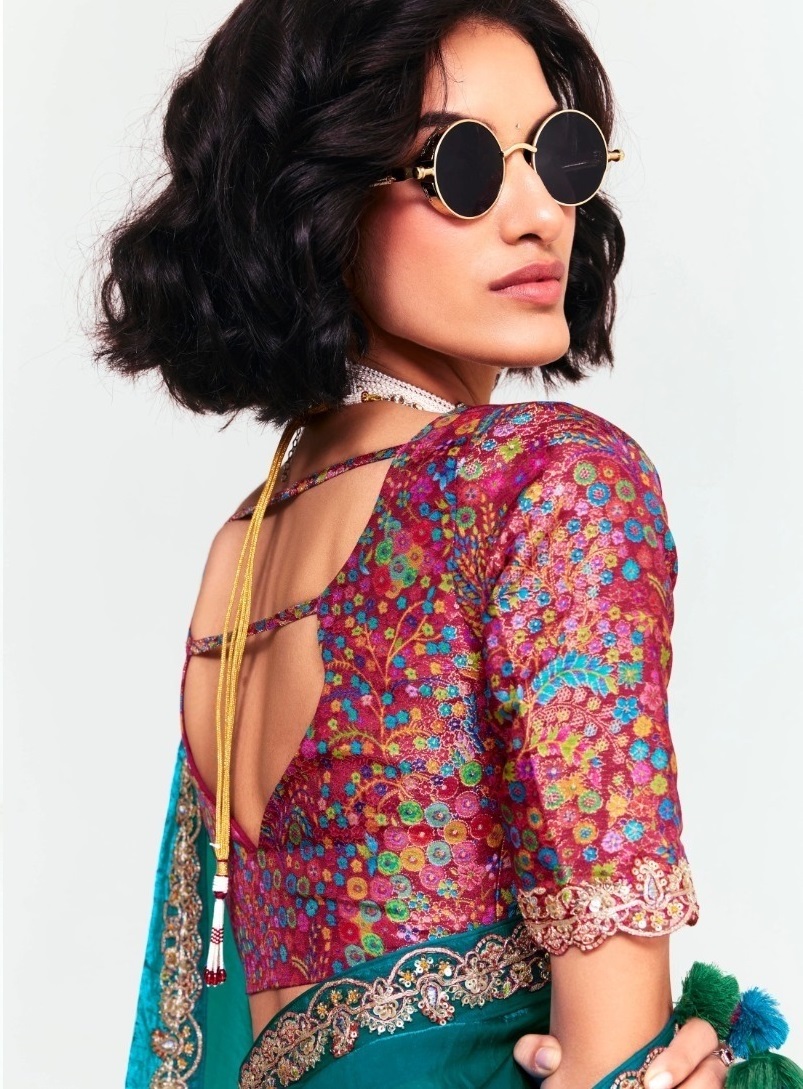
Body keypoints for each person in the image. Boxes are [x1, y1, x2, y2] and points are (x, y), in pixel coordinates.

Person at [92, 2, 732, 1086]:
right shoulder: (549, 479)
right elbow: (619, 1061)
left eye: (558, 155)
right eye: (461, 168)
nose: (538, 215)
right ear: (318, 203)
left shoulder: (243, 548)